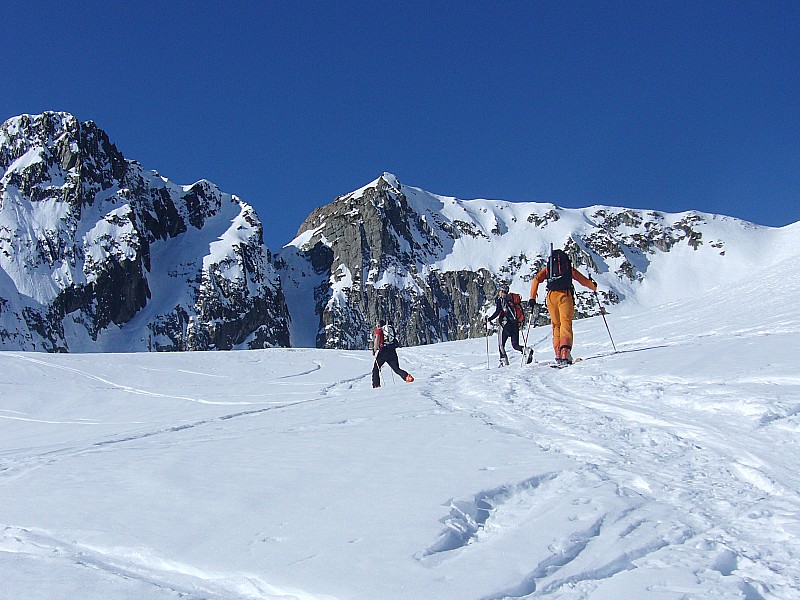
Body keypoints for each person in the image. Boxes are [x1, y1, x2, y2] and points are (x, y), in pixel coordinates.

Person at [528, 249, 597, 366]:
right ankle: (565, 352)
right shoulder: (567, 269)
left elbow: (536, 279)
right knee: (565, 324)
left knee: (556, 325)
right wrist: (593, 287)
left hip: (551, 297)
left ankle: (558, 353)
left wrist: (532, 298)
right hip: (564, 296)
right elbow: (582, 280)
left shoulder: (548, 270)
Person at [486, 285, 524, 366]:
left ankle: (504, 361)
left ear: (502, 291)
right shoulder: (512, 299)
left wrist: (488, 319)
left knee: (501, 344)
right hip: (515, 324)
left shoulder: (501, 300)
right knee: (515, 345)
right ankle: (526, 350)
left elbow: (497, 312)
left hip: (505, 325)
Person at [372, 320, 414, 388]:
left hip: (383, 352)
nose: (376, 326)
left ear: (379, 325)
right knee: (396, 369)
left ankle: (376, 385)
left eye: (377, 325)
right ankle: (407, 377)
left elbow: (377, 339)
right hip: (392, 350)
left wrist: (374, 349)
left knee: (376, 368)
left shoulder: (379, 331)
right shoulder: (388, 331)